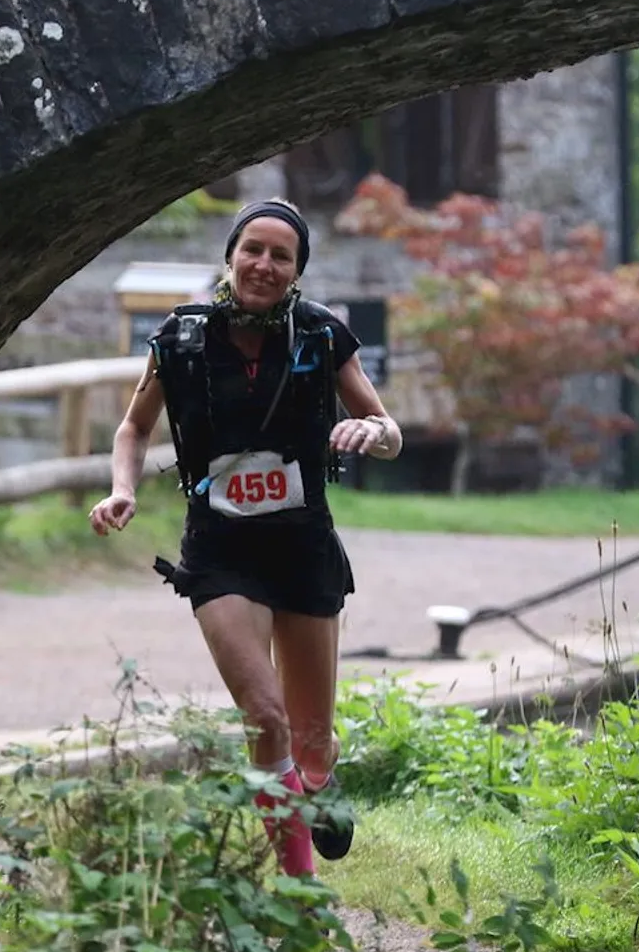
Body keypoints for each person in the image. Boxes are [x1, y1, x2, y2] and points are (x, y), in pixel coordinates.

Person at [88, 198, 403, 877]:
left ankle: (317, 778)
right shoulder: (181, 338)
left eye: (279, 255)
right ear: (231, 256)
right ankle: (301, 892)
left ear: (296, 272)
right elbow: (134, 429)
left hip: (302, 547)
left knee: (312, 738)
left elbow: (389, 429)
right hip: (221, 548)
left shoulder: (321, 336)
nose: (262, 264)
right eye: (251, 249)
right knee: (266, 715)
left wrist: (369, 431)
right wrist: (123, 489)